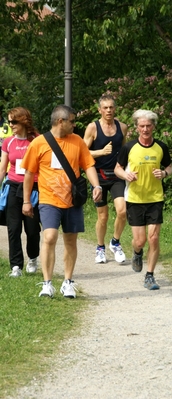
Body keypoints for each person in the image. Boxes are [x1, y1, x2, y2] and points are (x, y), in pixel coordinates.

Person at [21, 104, 102, 299]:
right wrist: (26, 201)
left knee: (70, 240)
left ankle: (67, 282)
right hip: (49, 199)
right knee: (49, 237)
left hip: (72, 200)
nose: (75, 125)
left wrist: (97, 185)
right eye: (72, 121)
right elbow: (29, 174)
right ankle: (47, 283)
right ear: (60, 121)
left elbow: (88, 165)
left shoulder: (77, 142)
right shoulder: (39, 143)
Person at [114, 109, 172, 290]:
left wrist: (163, 173)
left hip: (155, 198)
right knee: (140, 241)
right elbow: (117, 168)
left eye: (148, 126)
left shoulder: (161, 147)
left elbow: (170, 167)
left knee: (153, 238)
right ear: (137, 128)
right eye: (142, 126)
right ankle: (137, 252)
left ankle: (150, 276)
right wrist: (126, 175)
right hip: (135, 198)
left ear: (153, 126)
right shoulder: (129, 147)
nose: (145, 129)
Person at [84, 94, 128, 264]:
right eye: (105, 107)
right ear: (99, 110)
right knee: (103, 216)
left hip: (116, 175)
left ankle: (115, 243)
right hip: (99, 176)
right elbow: (82, 152)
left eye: (111, 107)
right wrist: (101, 152)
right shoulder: (92, 128)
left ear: (115, 109)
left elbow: (125, 149)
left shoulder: (122, 127)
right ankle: (100, 248)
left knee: (122, 211)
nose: (109, 110)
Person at [0, 107, 40, 277]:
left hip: (33, 187)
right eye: (9, 122)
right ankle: (16, 266)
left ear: (24, 121)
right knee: (13, 228)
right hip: (13, 186)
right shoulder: (8, 142)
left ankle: (33, 257)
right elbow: (3, 168)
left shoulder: (37, 140)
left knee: (32, 229)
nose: (11, 125)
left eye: (14, 121)